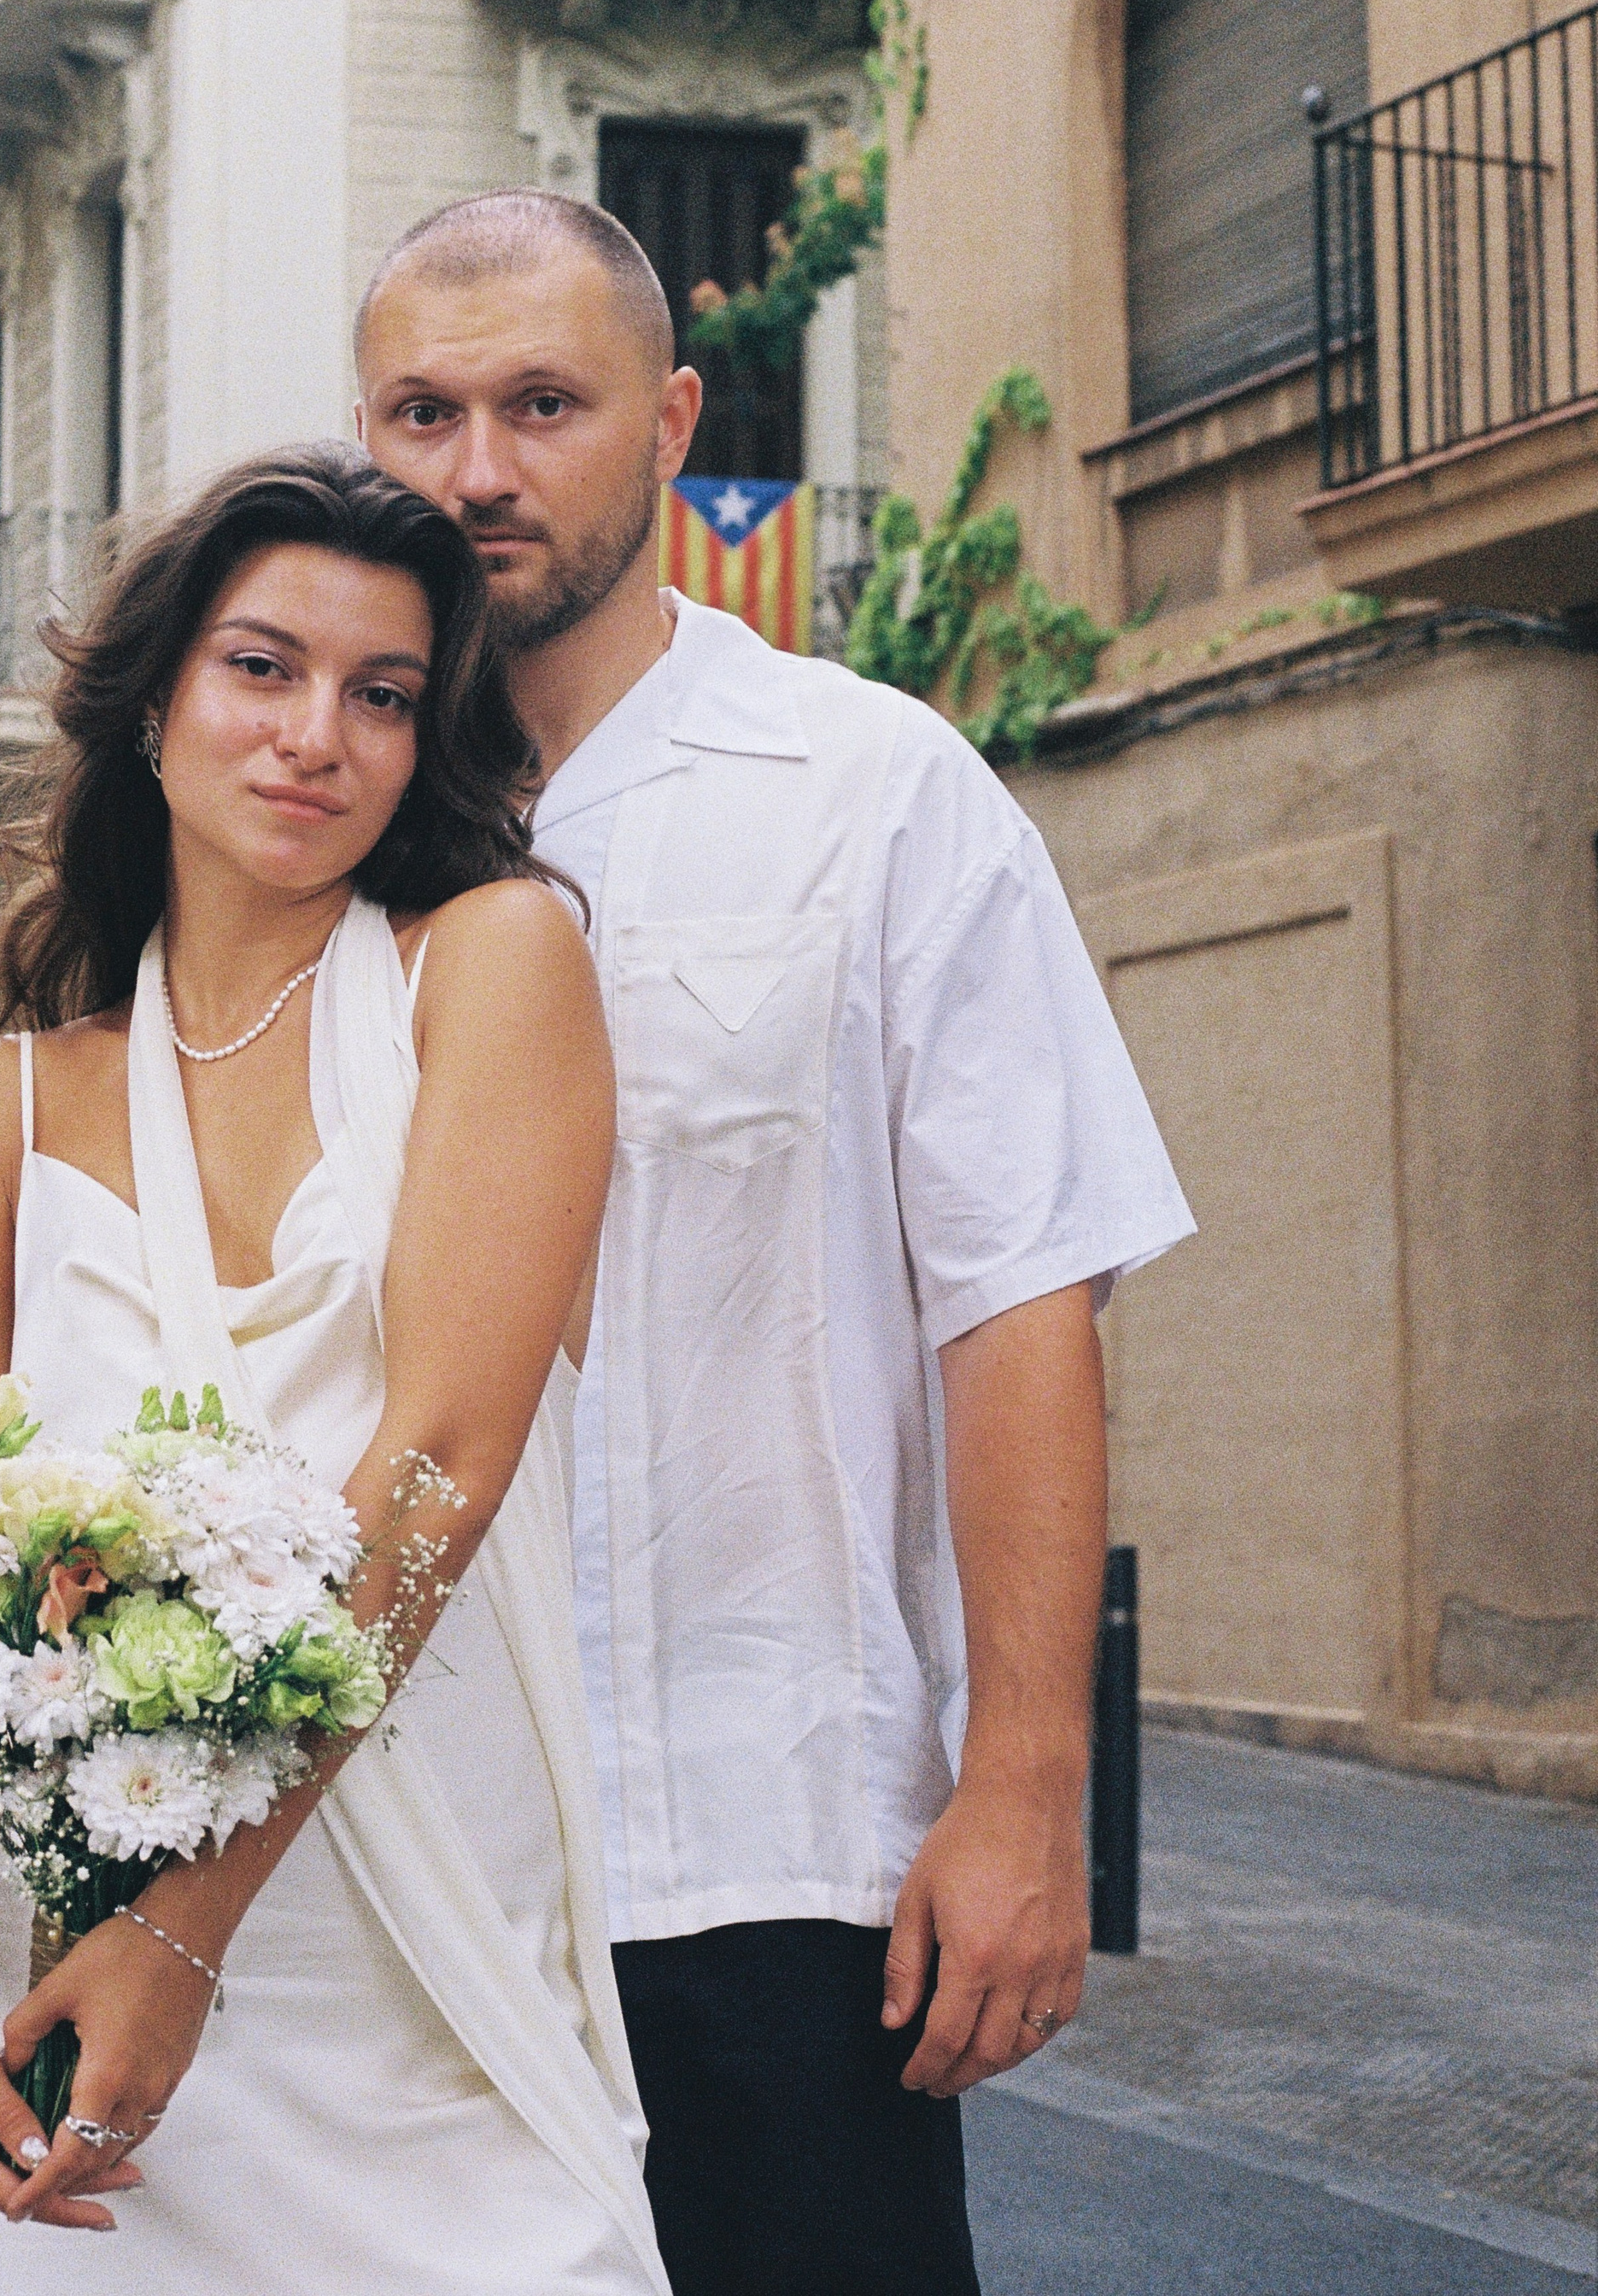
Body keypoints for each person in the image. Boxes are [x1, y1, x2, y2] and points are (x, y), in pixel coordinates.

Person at [357, 192, 1196, 2296]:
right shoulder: (316, 826)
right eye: (423, 412)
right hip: (398, 1864)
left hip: (773, 1849)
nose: (477, 469)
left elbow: (1019, 1294)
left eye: (541, 403)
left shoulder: (871, 791)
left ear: (669, 418)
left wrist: (1019, 1796)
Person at [0, 445, 670, 2294]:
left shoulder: (493, 963)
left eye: (384, 695)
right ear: (153, 705)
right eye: (262, 667)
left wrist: (187, 1933)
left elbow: (441, 1453)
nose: (319, 734)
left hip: (382, 1922)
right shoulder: (11, 1101)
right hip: (53, 1917)